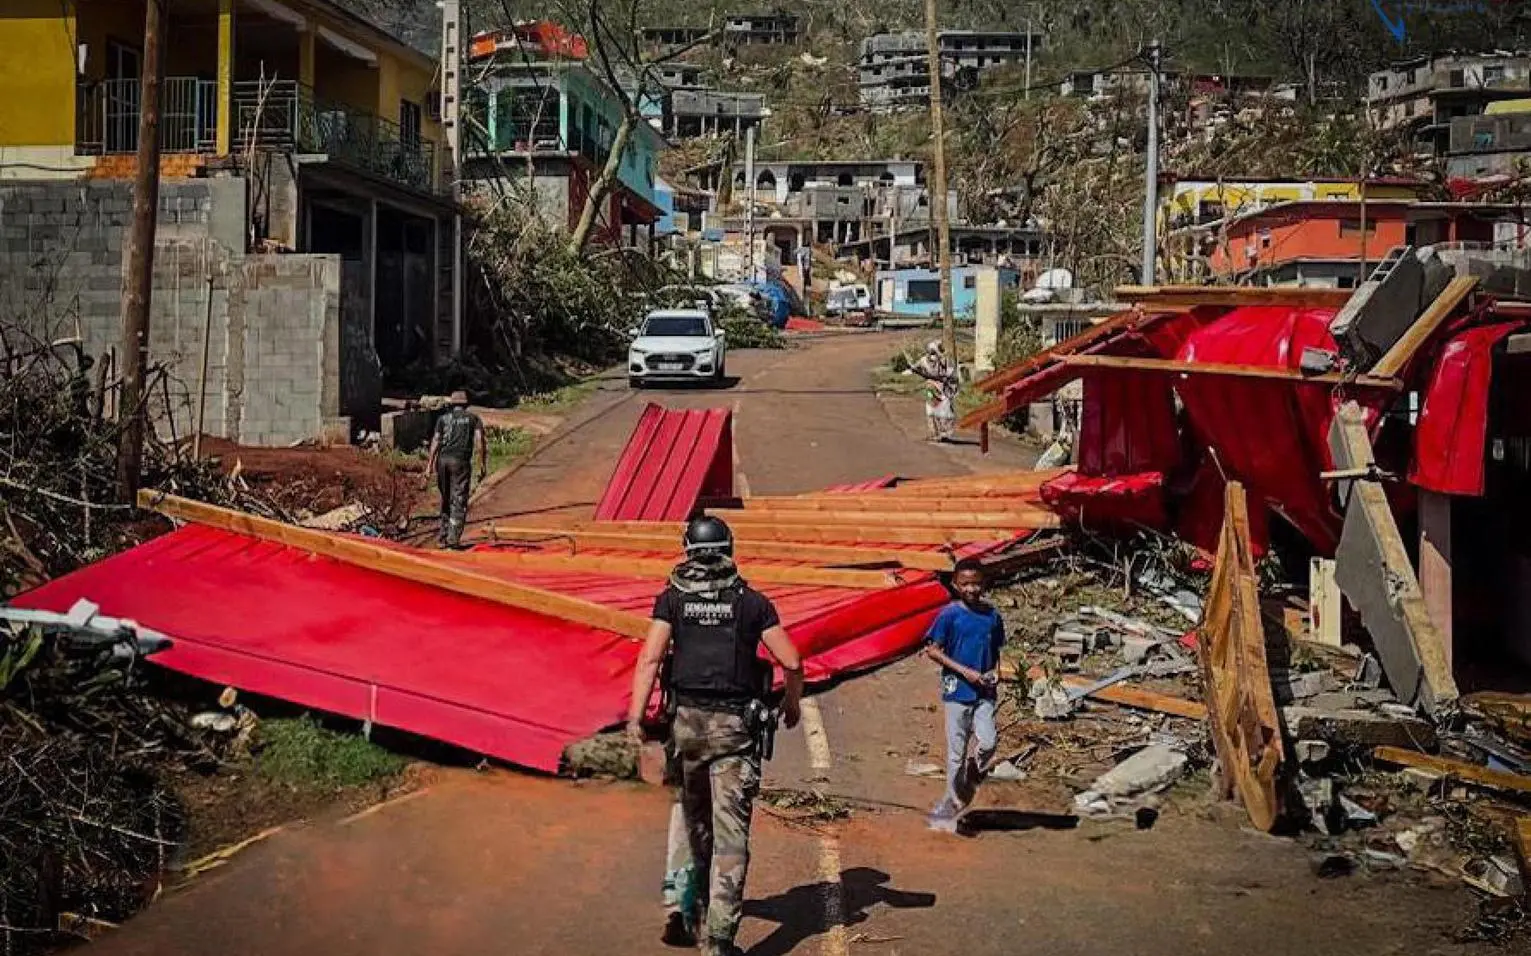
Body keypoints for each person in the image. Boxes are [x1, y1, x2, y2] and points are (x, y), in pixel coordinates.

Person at [627, 516, 804, 956]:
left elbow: (650, 660)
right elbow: (793, 661)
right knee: (729, 835)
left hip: (685, 728)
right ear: (730, 549)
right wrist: (793, 704)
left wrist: (635, 719)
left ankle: (682, 910)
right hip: (734, 734)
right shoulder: (752, 603)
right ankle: (720, 940)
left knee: (689, 819)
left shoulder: (672, 600)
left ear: (687, 551)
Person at [922, 557, 1005, 832]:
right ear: (956, 585)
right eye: (965, 584)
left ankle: (976, 768)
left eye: (976, 583)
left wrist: (996, 671)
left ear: (984, 584)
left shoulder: (992, 616)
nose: (971, 589)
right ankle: (951, 806)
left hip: (985, 690)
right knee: (955, 755)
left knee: (989, 741)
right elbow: (933, 650)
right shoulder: (949, 615)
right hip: (957, 690)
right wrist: (964, 671)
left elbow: (996, 652)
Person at [424, 390, 486, 548]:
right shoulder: (474, 419)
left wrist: (429, 466)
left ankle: (443, 538)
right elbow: (480, 442)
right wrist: (482, 464)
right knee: (458, 499)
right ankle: (453, 539)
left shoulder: (443, 419)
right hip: (460, 463)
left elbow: (436, 442)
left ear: (452, 405)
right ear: (466, 404)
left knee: (446, 499)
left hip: (442, 461)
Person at [913, 340, 959, 442]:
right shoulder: (924, 360)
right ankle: (934, 433)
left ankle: (944, 433)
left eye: (934, 352)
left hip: (944, 388)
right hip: (931, 388)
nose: (932, 355)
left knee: (944, 410)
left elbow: (951, 374)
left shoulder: (944, 360)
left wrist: (948, 380)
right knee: (931, 409)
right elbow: (915, 368)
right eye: (931, 352)